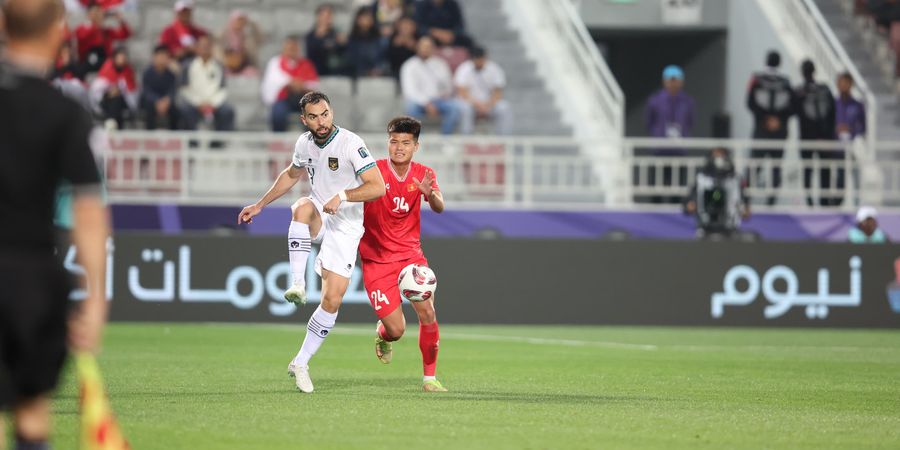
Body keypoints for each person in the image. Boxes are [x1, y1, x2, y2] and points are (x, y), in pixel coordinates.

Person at [0, 1, 110, 449]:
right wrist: (96, 300)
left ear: (3, 25)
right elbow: (88, 210)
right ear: (59, 33)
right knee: (31, 409)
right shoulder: (64, 112)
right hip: (32, 277)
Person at [237, 92, 386, 393]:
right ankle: (297, 283)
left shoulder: (350, 143)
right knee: (301, 207)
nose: (322, 121)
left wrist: (343, 196)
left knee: (332, 300)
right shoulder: (304, 143)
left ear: (332, 112)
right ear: (304, 119)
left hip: (346, 225)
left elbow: (378, 187)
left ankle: (301, 362)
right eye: (315, 116)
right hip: (320, 210)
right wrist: (260, 204)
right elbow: (292, 174)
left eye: (326, 114)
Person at [359, 116, 447, 392]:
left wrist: (429, 195)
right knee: (396, 330)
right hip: (376, 258)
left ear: (416, 146)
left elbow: (439, 206)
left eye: (405, 143)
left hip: (410, 256)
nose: (399, 147)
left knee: (428, 312)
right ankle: (382, 334)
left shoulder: (424, 173)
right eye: (394, 141)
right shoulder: (372, 171)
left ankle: (429, 378)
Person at [746, 50, 795, 205]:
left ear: (766, 61)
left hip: (761, 130)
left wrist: (765, 120)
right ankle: (771, 202)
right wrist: (778, 120)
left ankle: (746, 199)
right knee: (776, 167)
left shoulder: (756, 79)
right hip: (779, 132)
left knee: (755, 166)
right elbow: (792, 106)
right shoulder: (786, 82)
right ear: (779, 62)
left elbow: (750, 103)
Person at [794, 60, 840, 207]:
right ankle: (823, 202)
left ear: (802, 72)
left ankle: (810, 202)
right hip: (824, 137)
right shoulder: (825, 89)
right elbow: (833, 114)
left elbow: (792, 111)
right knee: (824, 170)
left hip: (807, 138)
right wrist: (829, 135)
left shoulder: (800, 92)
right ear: (814, 71)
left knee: (808, 169)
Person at [684, 148, 750, 239]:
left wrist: (744, 209)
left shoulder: (735, 180)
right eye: (716, 155)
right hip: (705, 227)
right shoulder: (701, 179)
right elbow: (688, 204)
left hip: (730, 228)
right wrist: (690, 205)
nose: (719, 159)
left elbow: (744, 205)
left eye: (721, 155)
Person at [400, 36, 460, 134]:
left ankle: (446, 137)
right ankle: (419, 139)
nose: (425, 49)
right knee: (410, 107)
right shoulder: (409, 66)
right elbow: (410, 91)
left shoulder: (440, 64)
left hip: (438, 101)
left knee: (455, 107)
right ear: (417, 48)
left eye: (428, 47)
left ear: (433, 48)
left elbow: (448, 86)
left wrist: (444, 94)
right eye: (423, 46)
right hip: (418, 102)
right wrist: (427, 103)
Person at [261, 35, 320, 132]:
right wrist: (290, 83)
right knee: (278, 113)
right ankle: (278, 142)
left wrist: (301, 86)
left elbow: (313, 85)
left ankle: (311, 143)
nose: (292, 50)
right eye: (289, 47)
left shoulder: (306, 64)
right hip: (283, 98)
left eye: (294, 47)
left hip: (303, 99)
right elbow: (271, 82)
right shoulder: (276, 62)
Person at [179, 35, 235, 131]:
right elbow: (184, 89)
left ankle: (218, 144)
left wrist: (212, 103)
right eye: (202, 46)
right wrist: (199, 103)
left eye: (207, 46)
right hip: (194, 102)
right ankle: (192, 143)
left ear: (211, 48)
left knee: (227, 111)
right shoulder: (187, 66)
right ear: (196, 48)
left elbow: (222, 89)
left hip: (214, 103)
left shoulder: (219, 66)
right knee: (185, 110)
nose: (205, 49)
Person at [454, 45, 511, 135]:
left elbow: (498, 93)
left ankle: (503, 140)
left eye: (482, 59)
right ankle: (466, 139)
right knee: (465, 109)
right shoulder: (464, 69)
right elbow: (462, 92)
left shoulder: (494, 69)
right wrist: (478, 105)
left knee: (503, 107)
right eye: (477, 59)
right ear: (472, 59)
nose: (480, 62)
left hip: (489, 104)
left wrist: (488, 105)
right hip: (470, 103)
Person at [74, 0, 131, 73]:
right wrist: (95, 23)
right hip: (88, 64)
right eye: (95, 13)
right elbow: (82, 37)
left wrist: (120, 20)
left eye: (99, 12)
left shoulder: (105, 32)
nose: (98, 15)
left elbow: (125, 34)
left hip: (105, 65)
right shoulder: (83, 29)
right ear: (88, 14)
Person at [89, 46, 138, 129]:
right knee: (113, 100)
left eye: (124, 57)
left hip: (122, 101)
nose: (122, 59)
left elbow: (132, 92)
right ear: (114, 58)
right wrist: (109, 93)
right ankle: (112, 125)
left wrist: (119, 91)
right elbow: (97, 91)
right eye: (120, 57)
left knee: (117, 100)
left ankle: (112, 125)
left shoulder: (128, 72)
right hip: (106, 101)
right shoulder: (106, 70)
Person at [645, 65, 695, 142]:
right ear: (664, 81)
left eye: (676, 80)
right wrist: (657, 133)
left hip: (681, 146)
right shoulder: (655, 100)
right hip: (660, 146)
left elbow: (690, 122)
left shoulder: (688, 101)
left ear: (681, 82)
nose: (673, 84)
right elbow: (649, 122)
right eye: (670, 80)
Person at [141, 45, 179, 130]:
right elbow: (146, 90)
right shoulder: (148, 73)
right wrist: (157, 101)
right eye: (160, 56)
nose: (162, 59)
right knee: (148, 107)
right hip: (152, 101)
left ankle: (174, 136)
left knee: (176, 110)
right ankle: (150, 136)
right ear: (154, 57)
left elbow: (173, 89)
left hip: (166, 101)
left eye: (165, 56)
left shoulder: (171, 74)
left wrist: (167, 100)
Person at [305, 3, 346, 76]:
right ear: (318, 16)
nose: (327, 18)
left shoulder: (337, 35)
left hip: (334, 74)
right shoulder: (310, 36)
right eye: (325, 15)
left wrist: (342, 44)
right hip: (315, 74)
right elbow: (310, 56)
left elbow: (341, 55)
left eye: (330, 15)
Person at [218, 9, 263, 75]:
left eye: (242, 21)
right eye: (238, 20)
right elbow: (219, 53)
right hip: (227, 66)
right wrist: (229, 60)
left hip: (243, 66)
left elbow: (260, 39)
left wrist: (251, 23)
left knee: (253, 73)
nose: (240, 23)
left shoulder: (247, 37)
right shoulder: (222, 35)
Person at [345, 6, 386, 77]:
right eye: (365, 17)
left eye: (370, 17)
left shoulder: (379, 40)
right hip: (358, 75)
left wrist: (377, 70)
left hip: (377, 75)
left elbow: (382, 59)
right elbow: (352, 60)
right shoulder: (352, 40)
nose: (368, 19)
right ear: (358, 19)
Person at [835, 72, 866, 142]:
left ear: (851, 84)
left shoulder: (858, 106)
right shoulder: (833, 105)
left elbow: (863, 127)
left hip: (853, 145)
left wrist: (850, 129)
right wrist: (837, 128)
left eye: (845, 83)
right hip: (835, 147)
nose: (843, 85)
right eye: (840, 82)